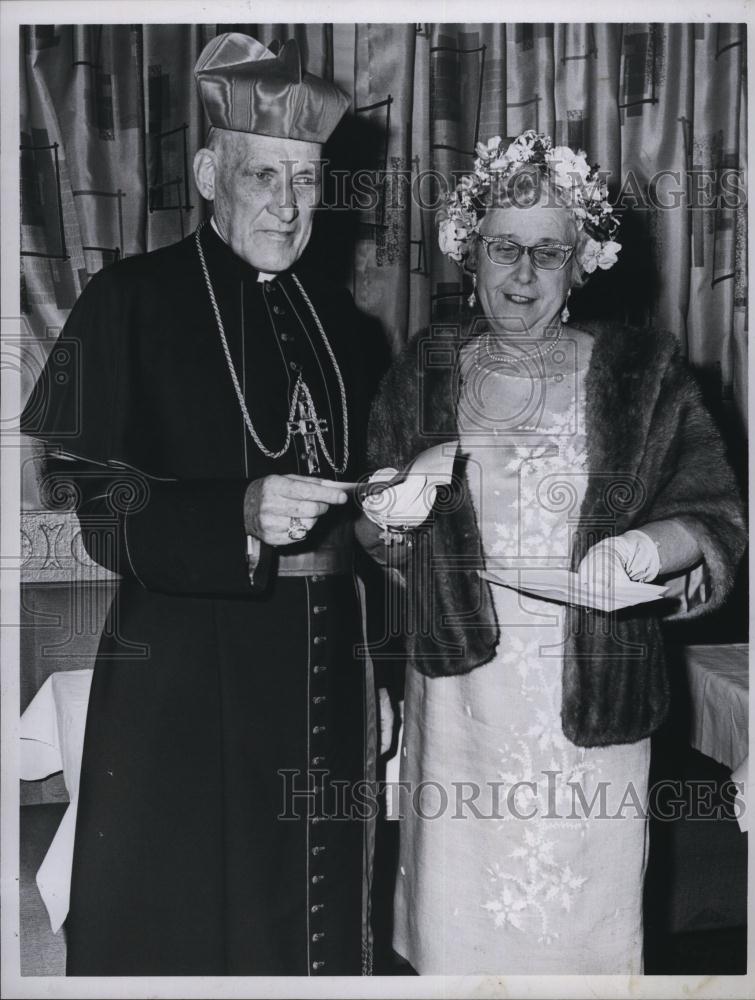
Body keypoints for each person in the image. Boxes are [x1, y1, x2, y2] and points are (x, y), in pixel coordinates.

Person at [21, 33, 379, 976]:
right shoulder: (129, 299)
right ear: (212, 170)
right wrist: (235, 513)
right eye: (265, 174)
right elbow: (85, 491)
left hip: (328, 670)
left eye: (305, 179)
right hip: (186, 676)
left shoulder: (346, 320)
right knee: (191, 926)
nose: (288, 203)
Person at [360, 131, 746, 973]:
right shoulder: (423, 372)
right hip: (460, 705)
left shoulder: (642, 375)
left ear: (582, 264)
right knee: (458, 936)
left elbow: (714, 514)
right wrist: (389, 514)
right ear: (472, 251)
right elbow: (374, 524)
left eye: (548, 252)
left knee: (581, 949)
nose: (523, 276)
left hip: (594, 707)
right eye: (504, 248)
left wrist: (646, 551)